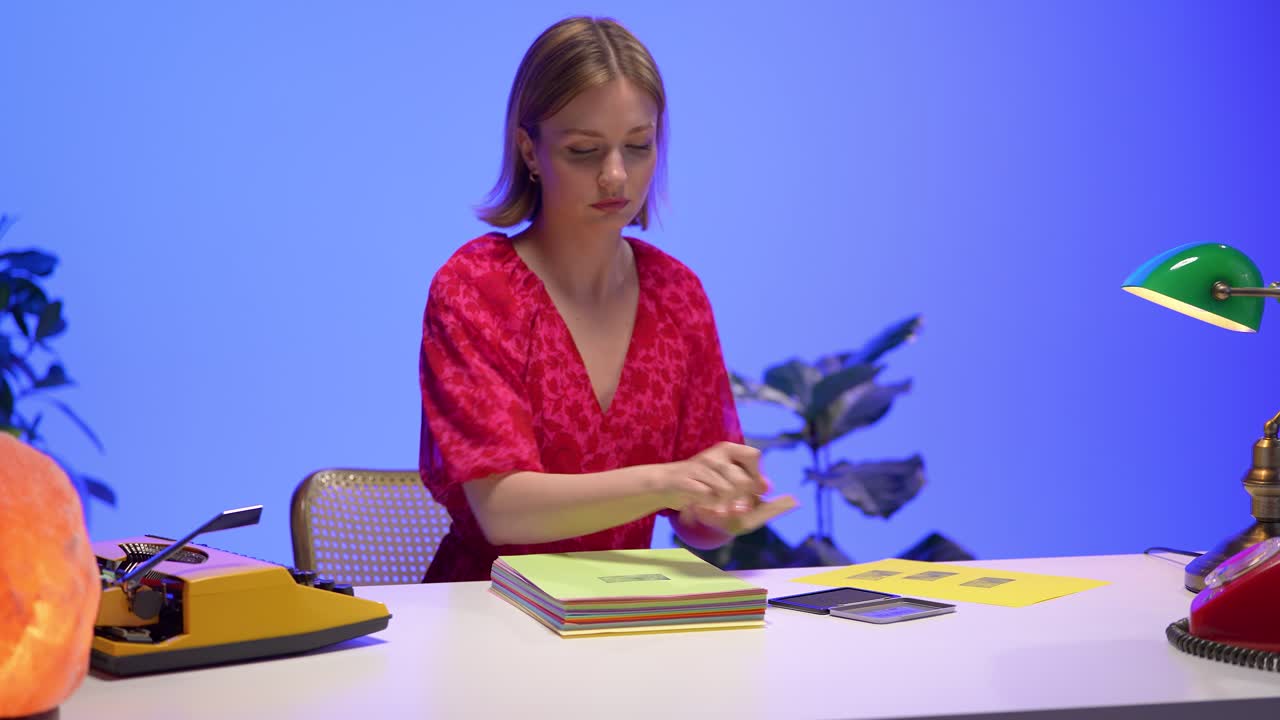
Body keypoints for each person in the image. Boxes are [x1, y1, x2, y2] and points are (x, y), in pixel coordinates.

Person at [418, 16, 795, 583]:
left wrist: (719, 511)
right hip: (486, 613)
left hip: (623, 609)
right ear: (529, 150)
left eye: (639, 146)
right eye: (584, 150)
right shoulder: (476, 286)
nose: (616, 176)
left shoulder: (677, 294)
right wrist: (667, 481)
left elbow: (693, 519)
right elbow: (501, 509)